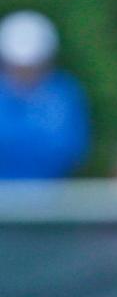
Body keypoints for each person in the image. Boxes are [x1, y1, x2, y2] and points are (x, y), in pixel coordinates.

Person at [0, 11, 90, 180]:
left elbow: (68, 148)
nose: (24, 72)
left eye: (31, 66)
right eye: (17, 66)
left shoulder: (64, 93)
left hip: (49, 198)